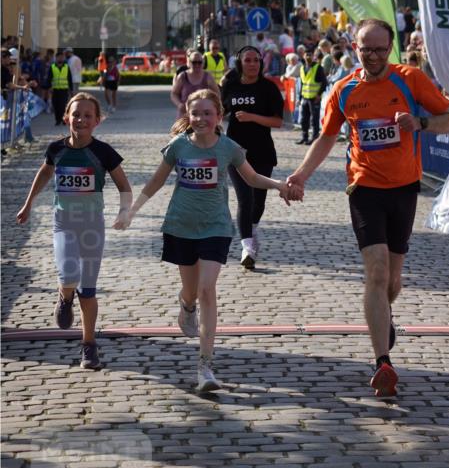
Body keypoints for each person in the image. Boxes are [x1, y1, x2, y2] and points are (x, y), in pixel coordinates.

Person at [287, 18, 449, 399]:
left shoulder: (410, 79)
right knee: (376, 273)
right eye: (367, 49)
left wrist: (421, 122)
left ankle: (384, 315)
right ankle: (383, 361)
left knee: (392, 282)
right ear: (354, 47)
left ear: (391, 48)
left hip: (404, 189)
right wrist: (299, 176)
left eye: (381, 49)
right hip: (363, 188)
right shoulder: (343, 90)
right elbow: (326, 138)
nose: (374, 56)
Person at [118, 89, 296, 393]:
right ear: (188, 115)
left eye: (207, 113)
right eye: (195, 113)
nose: (201, 118)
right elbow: (158, 180)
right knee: (190, 293)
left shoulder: (228, 147)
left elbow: (251, 178)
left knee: (207, 289)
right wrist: (131, 211)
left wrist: (280, 185)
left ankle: (205, 366)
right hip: (180, 226)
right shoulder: (178, 146)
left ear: (219, 116)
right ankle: (186, 307)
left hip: (216, 227)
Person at [16, 93, 132, 370]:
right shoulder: (56, 149)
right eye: (76, 114)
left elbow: (124, 187)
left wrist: (124, 211)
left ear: (97, 121)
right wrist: (28, 203)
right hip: (64, 222)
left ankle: (88, 346)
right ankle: (64, 297)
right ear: (66, 117)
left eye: (87, 116)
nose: (80, 120)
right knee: (69, 274)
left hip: (92, 225)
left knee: (88, 290)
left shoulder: (104, 152)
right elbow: (44, 174)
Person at [220, 46, 284, 270]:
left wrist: (252, 117)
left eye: (256, 60)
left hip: (263, 150)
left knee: (258, 200)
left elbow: (277, 122)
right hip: (236, 151)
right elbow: (219, 112)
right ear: (240, 63)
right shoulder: (231, 85)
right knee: (244, 197)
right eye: (248, 60)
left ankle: (252, 228)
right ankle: (247, 247)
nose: (253, 64)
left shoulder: (268, 88)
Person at [170, 49, 219, 117]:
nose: (197, 65)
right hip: (185, 115)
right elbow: (174, 93)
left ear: (203, 63)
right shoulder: (182, 76)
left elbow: (217, 93)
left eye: (199, 62)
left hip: (203, 116)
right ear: (189, 63)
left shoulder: (208, 76)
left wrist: (213, 106)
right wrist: (179, 105)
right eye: (194, 62)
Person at [296, 46, 327, 145]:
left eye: (310, 54)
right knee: (303, 119)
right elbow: (302, 84)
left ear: (313, 56)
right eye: (306, 54)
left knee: (314, 119)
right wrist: (299, 98)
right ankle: (304, 137)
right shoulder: (302, 68)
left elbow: (324, 82)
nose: (308, 56)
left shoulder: (318, 67)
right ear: (303, 56)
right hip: (305, 97)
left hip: (314, 98)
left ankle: (314, 138)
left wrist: (319, 95)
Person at [46, 48, 73, 126]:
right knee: (56, 105)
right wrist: (49, 87)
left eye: (62, 57)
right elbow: (49, 78)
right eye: (59, 57)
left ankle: (64, 120)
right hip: (55, 90)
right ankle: (58, 120)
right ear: (56, 58)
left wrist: (71, 90)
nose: (61, 58)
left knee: (63, 105)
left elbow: (69, 78)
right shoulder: (52, 67)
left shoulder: (66, 67)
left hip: (64, 90)